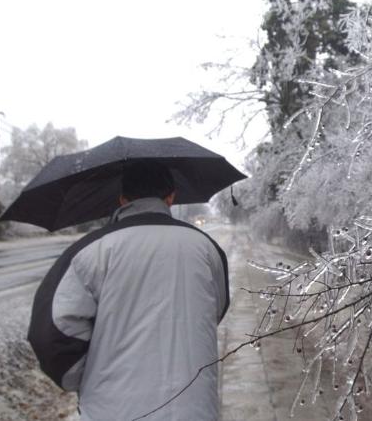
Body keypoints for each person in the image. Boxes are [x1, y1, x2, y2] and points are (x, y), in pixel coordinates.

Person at [27, 159, 229, 420]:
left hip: (112, 409)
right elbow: (216, 311)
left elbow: (52, 333)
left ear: (122, 199)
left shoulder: (89, 251)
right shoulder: (206, 247)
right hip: (195, 407)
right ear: (171, 197)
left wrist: (87, 376)